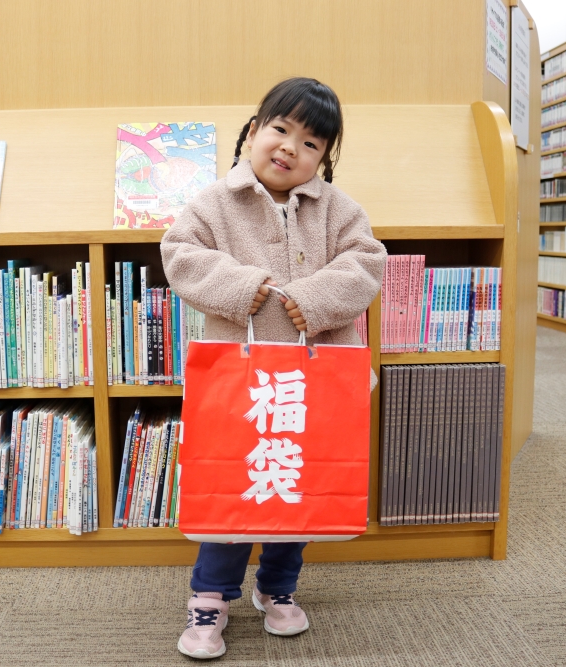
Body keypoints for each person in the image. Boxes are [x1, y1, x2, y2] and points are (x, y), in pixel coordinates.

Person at [161, 77, 387, 659]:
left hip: (317, 379)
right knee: (232, 488)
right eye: (280, 129)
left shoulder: (339, 209)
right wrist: (247, 286)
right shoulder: (212, 203)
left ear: (324, 158)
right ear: (254, 130)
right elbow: (180, 254)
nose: (290, 148)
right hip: (243, 384)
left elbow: (367, 263)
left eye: (311, 143)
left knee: (298, 490)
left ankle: (278, 588)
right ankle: (209, 597)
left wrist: (309, 299)